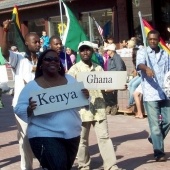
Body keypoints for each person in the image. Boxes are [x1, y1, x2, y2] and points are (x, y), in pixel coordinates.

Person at [14, 49, 89, 170]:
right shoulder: (32, 86)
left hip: (72, 134)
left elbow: (82, 103)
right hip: (44, 134)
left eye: (55, 59)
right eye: (48, 59)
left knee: (63, 167)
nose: (52, 61)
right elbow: (18, 108)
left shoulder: (70, 80)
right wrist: (29, 109)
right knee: (58, 166)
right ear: (41, 64)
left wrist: (86, 96)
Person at [68, 41, 124, 170]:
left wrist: (118, 85)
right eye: (82, 50)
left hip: (99, 108)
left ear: (92, 51)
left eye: (87, 50)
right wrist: (80, 92)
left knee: (104, 137)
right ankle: (83, 166)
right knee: (82, 140)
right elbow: (68, 91)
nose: (85, 52)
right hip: (82, 110)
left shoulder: (98, 68)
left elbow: (105, 87)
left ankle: (111, 166)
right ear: (79, 53)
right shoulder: (74, 69)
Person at [1, 19, 40, 170]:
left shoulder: (43, 59)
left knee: (42, 136)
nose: (37, 44)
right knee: (25, 140)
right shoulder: (19, 58)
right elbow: (4, 51)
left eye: (38, 42)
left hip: (40, 105)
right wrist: (5, 31)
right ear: (27, 43)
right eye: (34, 42)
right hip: (22, 107)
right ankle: (27, 167)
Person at [136, 30, 170, 162]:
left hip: (165, 92)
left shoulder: (165, 54)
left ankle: (154, 138)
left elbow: (168, 71)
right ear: (147, 40)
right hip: (150, 93)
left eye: (154, 39)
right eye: (150, 39)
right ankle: (159, 152)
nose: (152, 41)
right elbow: (139, 64)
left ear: (158, 39)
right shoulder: (142, 52)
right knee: (155, 125)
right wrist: (146, 69)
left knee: (168, 120)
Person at [103, 44, 126, 115]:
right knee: (102, 87)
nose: (106, 52)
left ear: (111, 51)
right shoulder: (110, 58)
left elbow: (120, 69)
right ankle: (109, 104)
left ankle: (113, 105)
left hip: (117, 77)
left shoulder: (117, 58)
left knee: (108, 89)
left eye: (108, 50)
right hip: (111, 78)